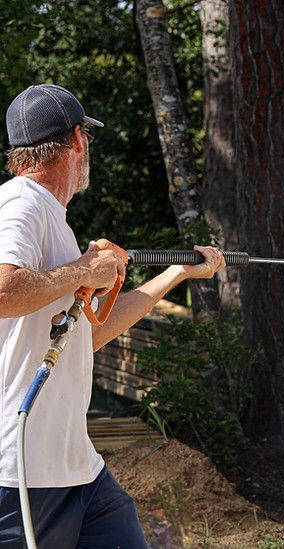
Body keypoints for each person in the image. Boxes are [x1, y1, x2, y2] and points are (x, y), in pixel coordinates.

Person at [0, 83, 225, 548]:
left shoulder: (51, 218)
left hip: (79, 471)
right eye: (88, 141)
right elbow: (3, 290)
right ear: (78, 140)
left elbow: (87, 338)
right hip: (21, 473)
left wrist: (175, 274)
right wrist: (85, 267)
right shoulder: (21, 203)